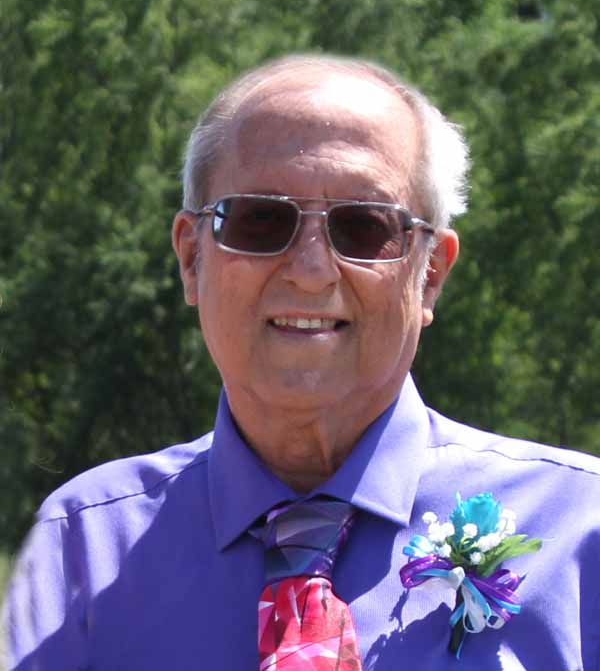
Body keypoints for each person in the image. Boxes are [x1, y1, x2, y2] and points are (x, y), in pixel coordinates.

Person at [3, 54, 600, 671]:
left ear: (430, 275)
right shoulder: (80, 550)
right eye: (261, 221)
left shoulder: (583, 536)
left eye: (365, 227)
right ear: (191, 259)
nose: (311, 270)